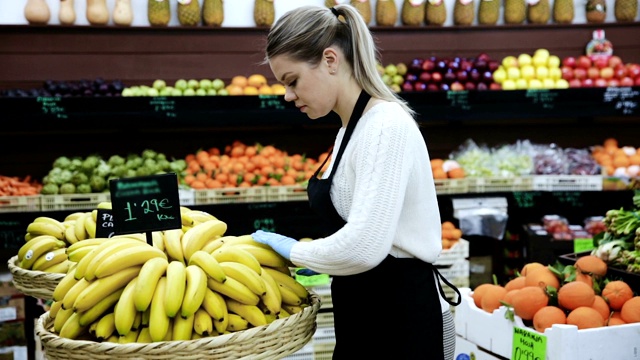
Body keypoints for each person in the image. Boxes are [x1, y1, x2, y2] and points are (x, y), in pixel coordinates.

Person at [251, 4, 460, 359]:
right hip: (366, 313)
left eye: (292, 81)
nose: (287, 95)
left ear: (330, 60)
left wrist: (293, 250)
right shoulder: (352, 127)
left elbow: (364, 246)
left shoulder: (385, 126)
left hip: (400, 321)